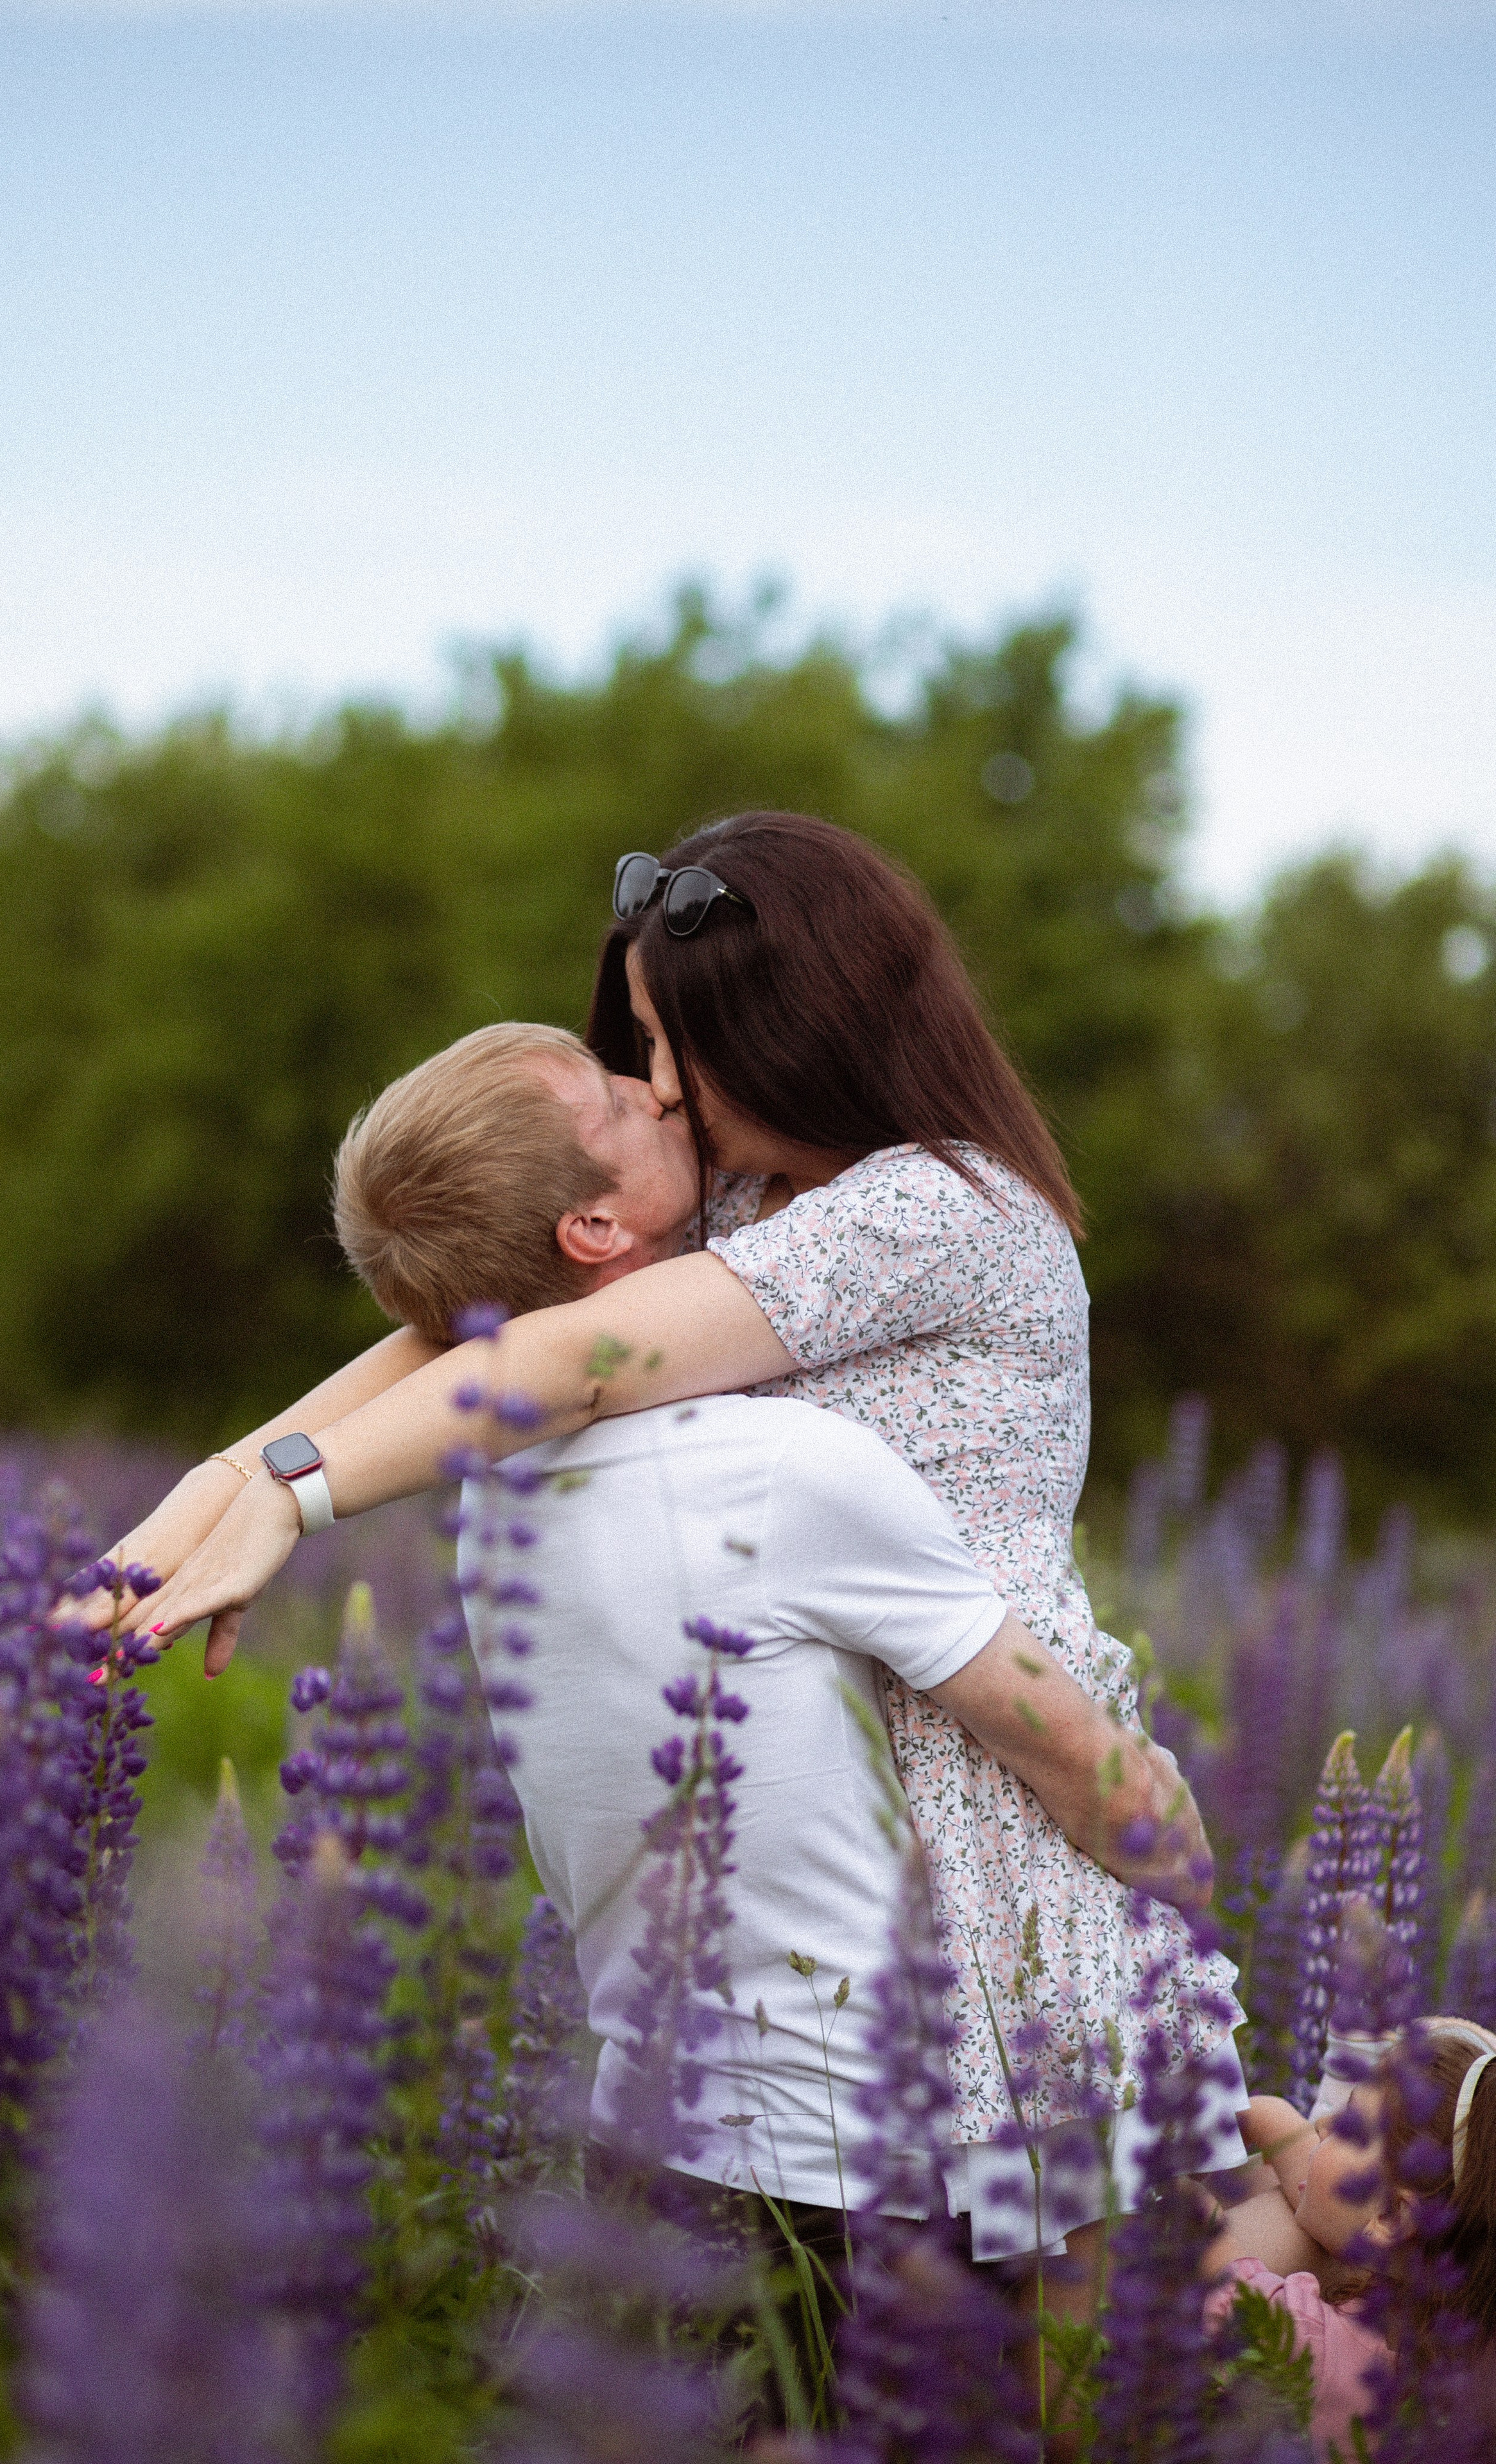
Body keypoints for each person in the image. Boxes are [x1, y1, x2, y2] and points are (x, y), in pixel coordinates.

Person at [110, 811, 1246, 2250]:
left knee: (1053, 2359)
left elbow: (567, 1356)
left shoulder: (932, 1210)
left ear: (784, 1038)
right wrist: (233, 1477)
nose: (654, 1088)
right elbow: (458, 1340)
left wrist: (294, 1491)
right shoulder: (751, 1195)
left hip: (1001, 1797)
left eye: (665, 1049)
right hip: (840, 1820)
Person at [1200, 2023, 1496, 2459]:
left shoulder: (1325, 2351)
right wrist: (1272, 2121)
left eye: (1349, 2125)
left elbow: (1231, 2288)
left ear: (1393, 2217)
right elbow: (1330, 2199)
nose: (1323, 2125)